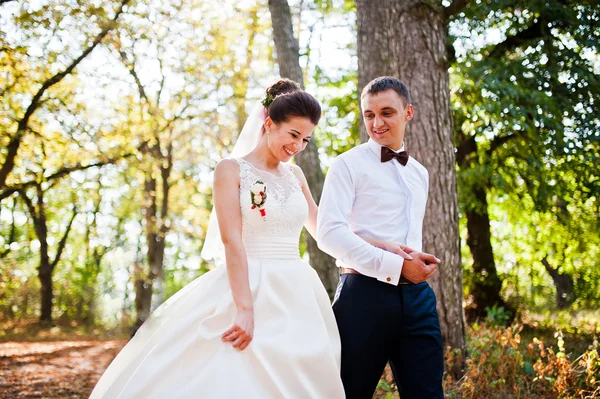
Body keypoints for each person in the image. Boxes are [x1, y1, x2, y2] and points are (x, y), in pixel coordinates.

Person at [91, 79, 409, 398]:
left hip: (297, 291)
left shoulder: (295, 176)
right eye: (293, 135)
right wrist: (244, 308)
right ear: (269, 123)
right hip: (248, 284)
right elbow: (232, 241)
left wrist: (383, 246)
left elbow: (325, 228)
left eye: (306, 140)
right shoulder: (230, 170)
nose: (298, 146)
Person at [317, 76, 444, 399]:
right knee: (348, 393)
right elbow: (329, 233)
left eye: (387, 112)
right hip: (362, 297)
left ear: (408, 113)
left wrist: (413, 265)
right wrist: (395, 266)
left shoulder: (420, 173)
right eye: (369, 115)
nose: (377, 123)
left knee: (428, 394)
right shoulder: (346, 165)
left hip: (418, 299)